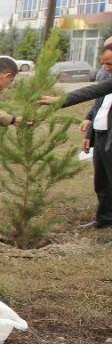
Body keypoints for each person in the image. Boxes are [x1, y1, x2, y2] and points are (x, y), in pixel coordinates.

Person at [41, 42, 112, 229]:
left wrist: (60, 100)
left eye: (110, 64)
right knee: (102, 182)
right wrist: (91, 128)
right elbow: (99, 101)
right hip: (102, 134)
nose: (105, 68)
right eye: (104, 63)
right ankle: (104, 220)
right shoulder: (106, 75)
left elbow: (92, 91)